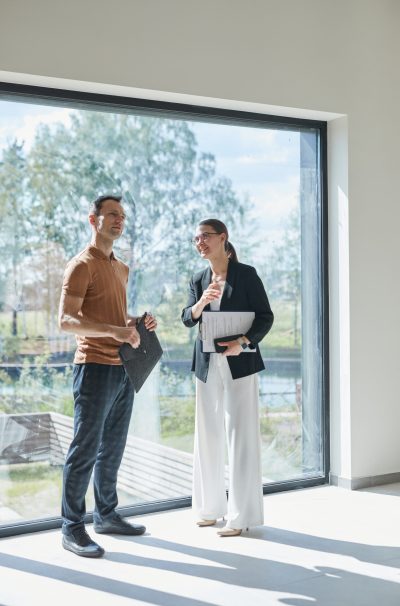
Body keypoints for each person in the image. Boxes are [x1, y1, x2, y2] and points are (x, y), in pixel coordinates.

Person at [58, 194, 157, 558]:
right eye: (112, 214)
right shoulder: (81, 265)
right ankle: (71, 527)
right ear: (93, 219)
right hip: (93, 368)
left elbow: (116, 318)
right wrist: (115, 332)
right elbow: (65, 320)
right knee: (84, 450)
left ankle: (106, 515)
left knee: (112, 448)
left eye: (123, 216)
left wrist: (135, 323)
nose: (119, 220)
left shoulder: (121, 268)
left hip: (124, 368)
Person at [181, 219, 274, 537]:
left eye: (205, 236)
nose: (199, 242)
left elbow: (265, 316)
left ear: (223, 238)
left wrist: (243, 343)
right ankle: (209, 509)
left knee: (241, 435)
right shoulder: (199, 278)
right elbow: (186, 318)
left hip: (240, 361)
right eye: (196, 238)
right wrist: (200, 303)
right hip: (207, 365)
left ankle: (241, 515)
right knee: (206, 434)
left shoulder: (246, 274)